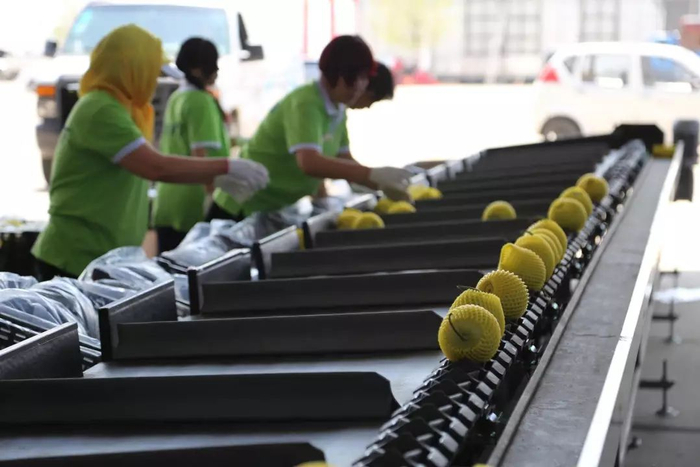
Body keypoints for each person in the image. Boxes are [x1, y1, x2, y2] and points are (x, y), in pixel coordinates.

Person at [31, 25, 269, 280]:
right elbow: (155, 166)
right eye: (151, 74)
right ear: (130, 70)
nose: (154, 83)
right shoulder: (101, 109)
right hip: (75, 257)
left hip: (101, 258)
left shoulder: (122, 109)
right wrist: (226, 167)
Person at [207, 35, 411, 221]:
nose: (361, 86)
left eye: (365, 78)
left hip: (273, 207)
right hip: (242, 203)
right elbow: (309, 162)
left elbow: (343, 158)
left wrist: (379, 183)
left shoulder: (338, 110)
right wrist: (369, 175)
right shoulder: (306, 103)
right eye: (356, 79)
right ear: (337, 76)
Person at [152, 38, 230, 254]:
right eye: (213, 65)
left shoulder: (177, 98)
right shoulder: (200, 101)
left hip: (167, 200)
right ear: (197, 69)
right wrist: (213, 200)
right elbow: (200, 156)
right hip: (191, 205)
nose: (217, 71)